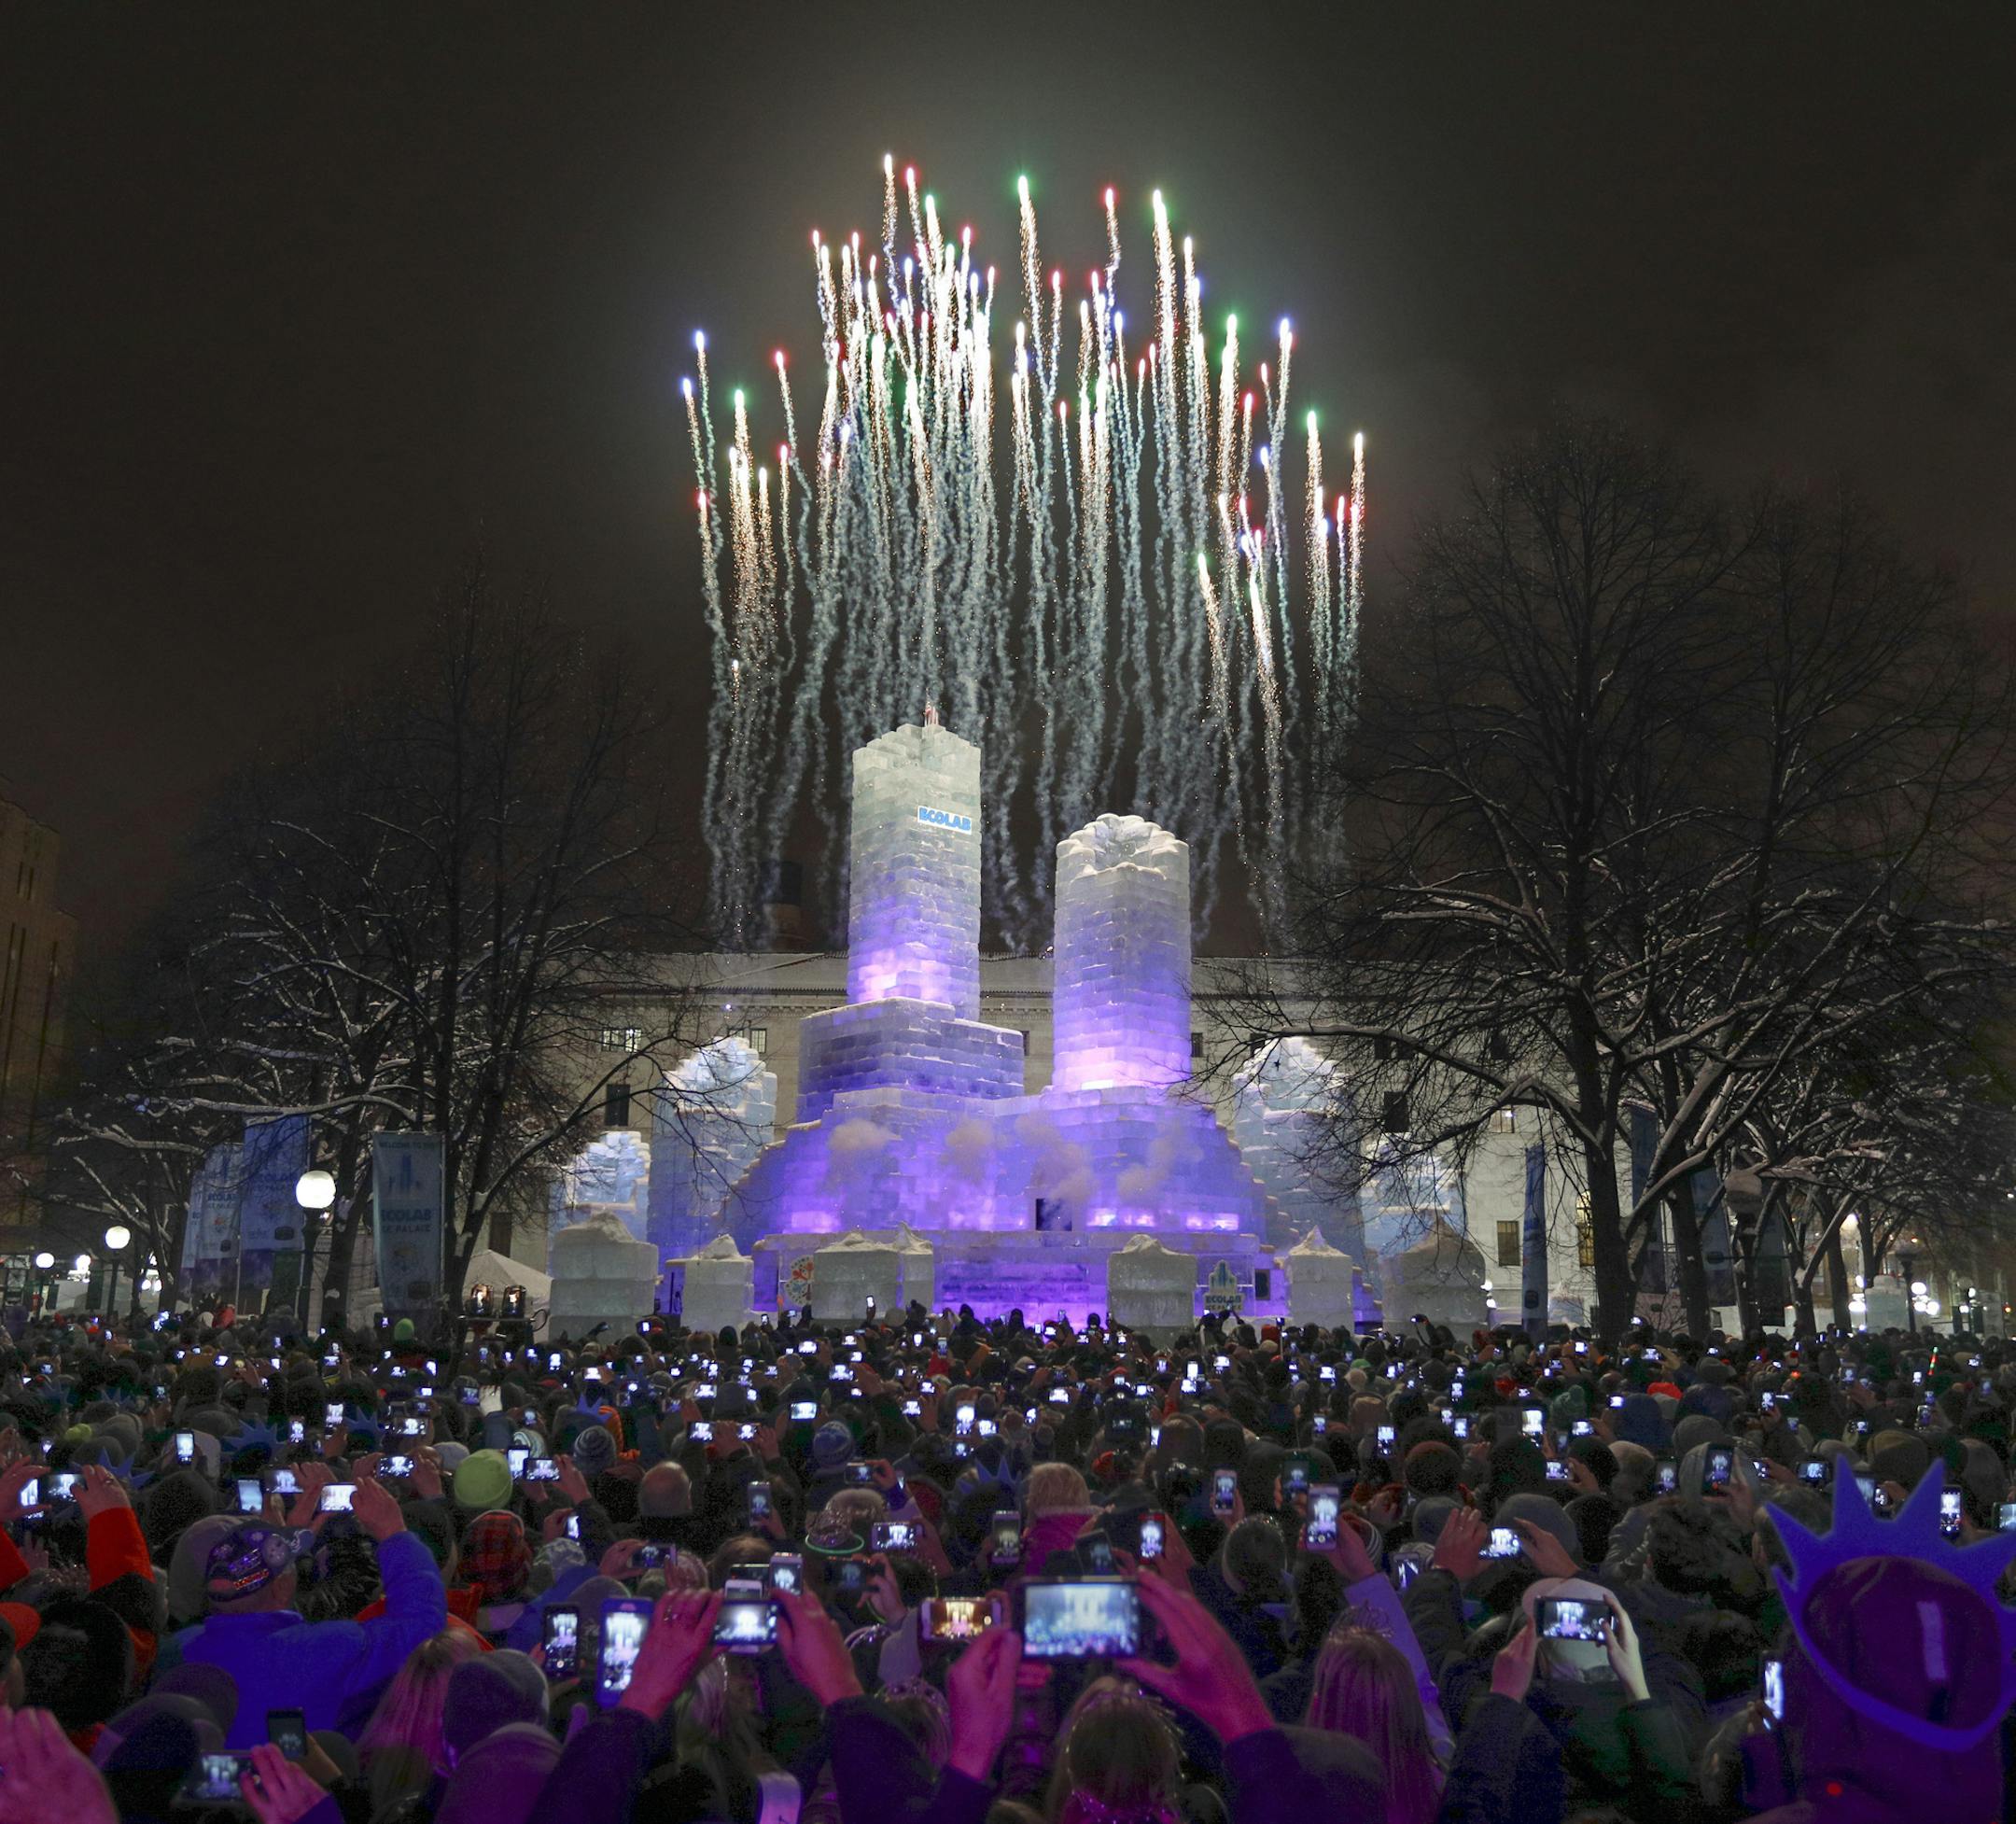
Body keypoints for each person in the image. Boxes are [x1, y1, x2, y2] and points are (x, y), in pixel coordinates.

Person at [161, 1477, 446, 1744]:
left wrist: (288, 1547)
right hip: (301, 1794)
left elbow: (255, 1595)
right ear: (283, 1588)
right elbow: (422, 1625)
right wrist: (394, 1532)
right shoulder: (332, 1648)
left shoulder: (178, 1651)